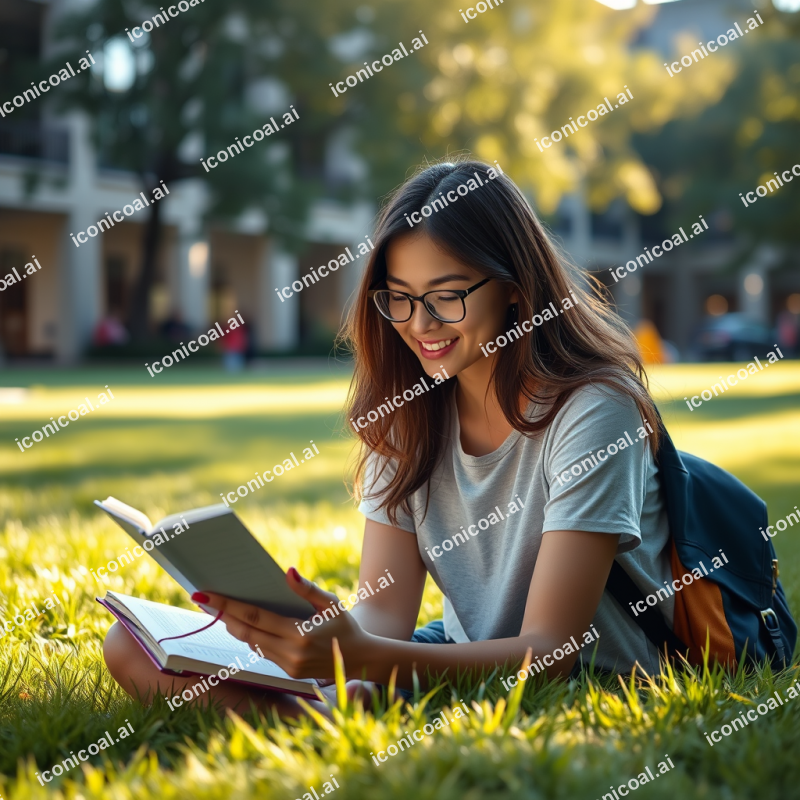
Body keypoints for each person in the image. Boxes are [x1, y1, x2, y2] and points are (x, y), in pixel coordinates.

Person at [103, 159, 674, 715]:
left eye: (447, 295)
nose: (419, 325)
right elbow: (382, 616)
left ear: (515, 289)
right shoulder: (408, 411)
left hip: (591, 677)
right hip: (461, 661)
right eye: (398, 297)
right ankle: (328, 715)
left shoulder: (595, 408)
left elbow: (551, 652)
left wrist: (365, 659)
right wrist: (345, 664)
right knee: (131, 647)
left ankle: (316, 717)